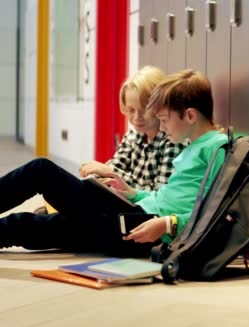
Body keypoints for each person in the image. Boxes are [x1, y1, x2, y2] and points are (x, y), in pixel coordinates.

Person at [0, 70, 227, 257]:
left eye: (165, 120)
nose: (163, 127)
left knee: (42, 171)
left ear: (189, 116)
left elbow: (213, 214)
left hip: (141, 227)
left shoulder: (216, 148)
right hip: (135, 215)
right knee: (32, 225)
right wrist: (133, 194)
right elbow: (164, 197)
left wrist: (168, 224)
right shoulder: (195, 145)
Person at [80, 65, 186, 191]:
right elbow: (116, 164)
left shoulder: (173, 141)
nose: (137, 117)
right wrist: (97, 173)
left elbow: (159, 195)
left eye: (144, 109)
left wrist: (110, 172)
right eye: (131, 110)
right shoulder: (133, 136)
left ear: (161, 105)